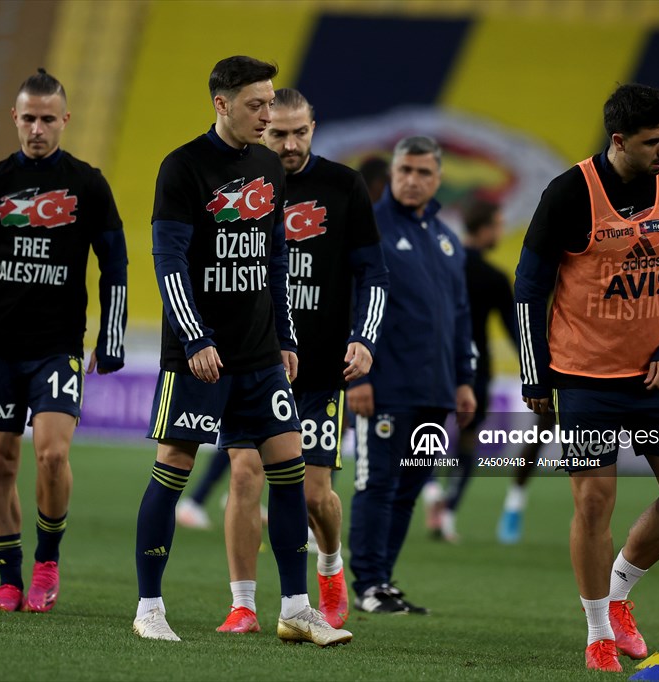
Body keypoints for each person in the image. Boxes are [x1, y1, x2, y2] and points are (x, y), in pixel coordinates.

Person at [131, 56, 351, 647]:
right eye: (256, 105)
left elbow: (277, 258)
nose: (267, 115)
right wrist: (195, 337)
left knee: (290, 471)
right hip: (199, 356)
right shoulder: (182, 167)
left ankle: (296, 609)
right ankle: (149, 607)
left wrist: (285, 337)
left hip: (259, 356)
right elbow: (168, 260)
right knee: (172, 471)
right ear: (221, 104)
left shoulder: (267, 166)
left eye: (271, 103)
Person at [514, 83, 659, 672]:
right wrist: (535, 377)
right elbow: (529, 288)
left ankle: (620, 591)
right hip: (585, 378)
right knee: (595, 503)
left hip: (656, 376)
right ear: (619, 140)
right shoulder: (569, 192)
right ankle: (598, 632)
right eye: (654, 141)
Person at [0, 69, 128, 613]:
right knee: (0, 465)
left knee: (51, 455)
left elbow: (115, 263)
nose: (37, 129)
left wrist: (111, 336)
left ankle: (47, 562)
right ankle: (8, 581)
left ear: (65, 120)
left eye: (47, 119)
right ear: (14, 119)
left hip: (57, 347)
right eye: (28, 119)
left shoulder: (88, 184)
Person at [210, 88, 389, 634]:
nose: (289, 144)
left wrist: (365, 337)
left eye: (300, 132)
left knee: (314, 494)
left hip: (318, 369)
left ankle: (330, 566)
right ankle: (243, 604)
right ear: (260, 126)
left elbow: (373, 273)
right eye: (278, 133)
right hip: (251, 361)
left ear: (314, 127)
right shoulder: (236, 185)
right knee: (245, 476)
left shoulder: (343, 185)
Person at [347, 135, 477, 614]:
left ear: (438, 178)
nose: (413, 180)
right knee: (378, 484)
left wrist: (463, 379)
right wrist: (357, 378)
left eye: (423, 172)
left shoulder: (446, 239)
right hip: (384, 385)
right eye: (405, 170)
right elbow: (350, 303)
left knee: (407, 488)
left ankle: (383, 581)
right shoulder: (369, 227)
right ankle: (367, 584)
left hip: (434, 390)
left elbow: (459, 315)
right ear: (392, 173)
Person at [424, 198, 518, 544]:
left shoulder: (440, 266)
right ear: (486, 228)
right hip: (476, 368)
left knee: (423, 433)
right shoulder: (494, 278)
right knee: (467, 441)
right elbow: (514, 331)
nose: (501, 232)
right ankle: (448, 513)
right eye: (499, 225)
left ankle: (430, 488)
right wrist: (537, 368)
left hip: (434, 362)